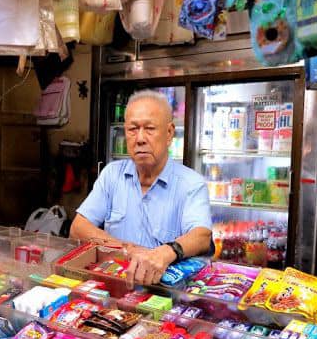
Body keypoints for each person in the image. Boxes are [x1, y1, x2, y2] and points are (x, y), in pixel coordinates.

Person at [70, 90, 212, 285]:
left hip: (164, 290)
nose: (140, 138)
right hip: (115, 283)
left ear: (169, 133)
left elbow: (202, 236)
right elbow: (78, 228)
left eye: (150, 128)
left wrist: (165, 253)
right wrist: (128, 250)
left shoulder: (191, 184)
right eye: (133, 129)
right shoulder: (112, 174)